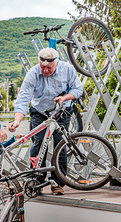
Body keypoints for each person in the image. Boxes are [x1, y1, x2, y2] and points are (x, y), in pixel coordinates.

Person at [5, 48, 83, 195]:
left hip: (62, 110)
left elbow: (78, 89)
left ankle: (58, 182)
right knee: (38, 143)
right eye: (43, 67)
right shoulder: (33, 73)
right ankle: (37, 181)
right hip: (40, 112)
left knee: (60, 144)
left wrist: (65, 98)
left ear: (56, 63)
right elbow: (23, 99)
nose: (45, 70)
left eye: (49, 67)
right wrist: (16, 121)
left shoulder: (67, 69)